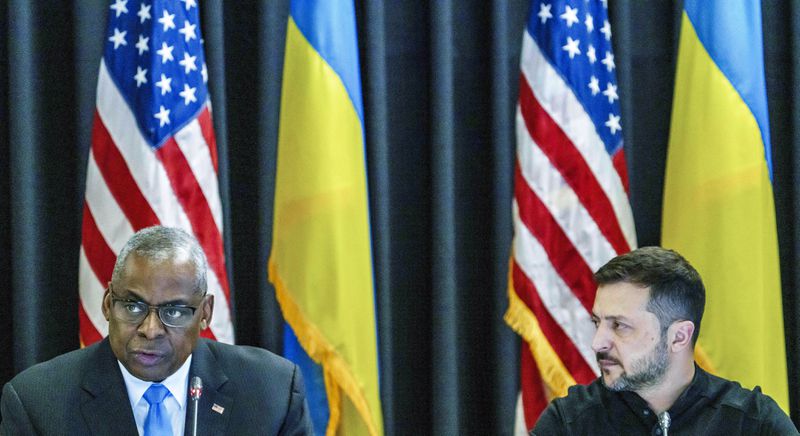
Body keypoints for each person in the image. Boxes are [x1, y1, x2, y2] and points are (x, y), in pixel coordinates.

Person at [0, 226, 313, 435]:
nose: (150, 330)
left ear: (205, 313)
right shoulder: (38, 405)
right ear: (108, 303)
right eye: (133, 307)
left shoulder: (272, 393)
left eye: (174, 311)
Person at [531, 246, 798, 435]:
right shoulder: (569, 422)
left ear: (679, 336)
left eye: (620, 326)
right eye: (597, 323)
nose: (598, 343)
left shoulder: (753, 423)